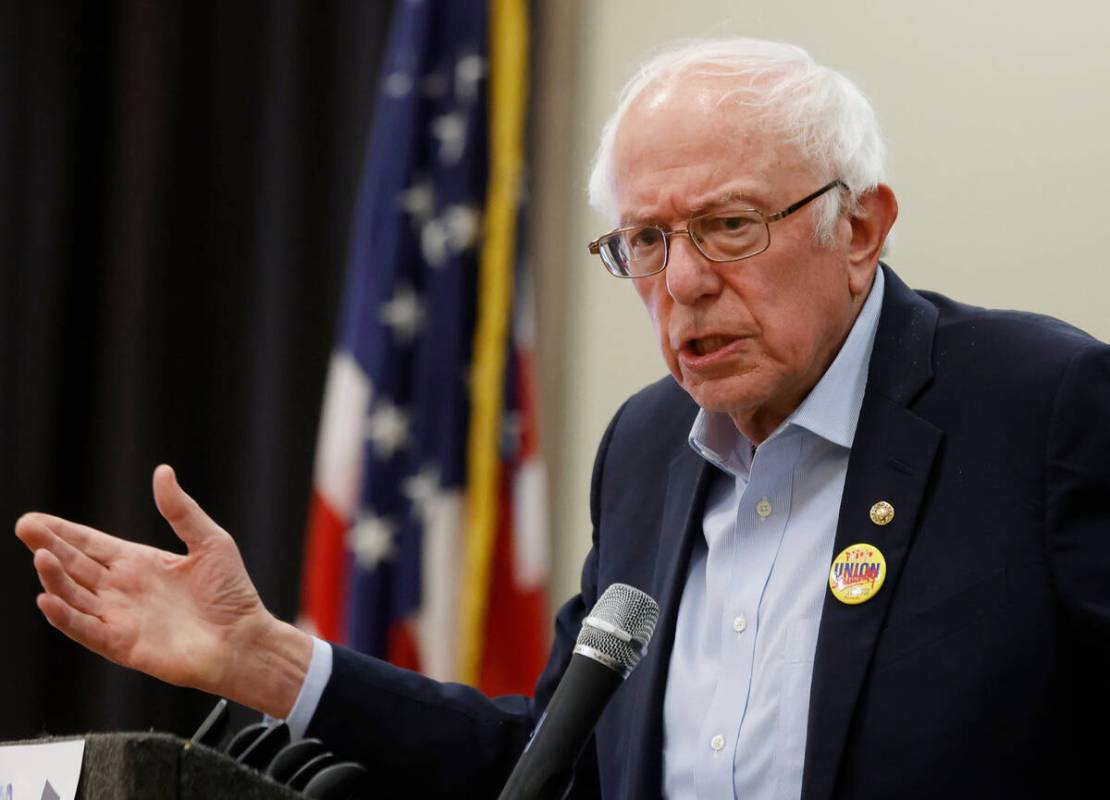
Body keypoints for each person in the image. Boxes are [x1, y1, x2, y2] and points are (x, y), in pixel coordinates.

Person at [15, 37, 1110, 799]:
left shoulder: (1041, 407)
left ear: (860, 225)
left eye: (728, 225)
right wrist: (264, 659)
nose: (680, 283)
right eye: (644, 240)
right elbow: (547, 762)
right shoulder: (646, 450)